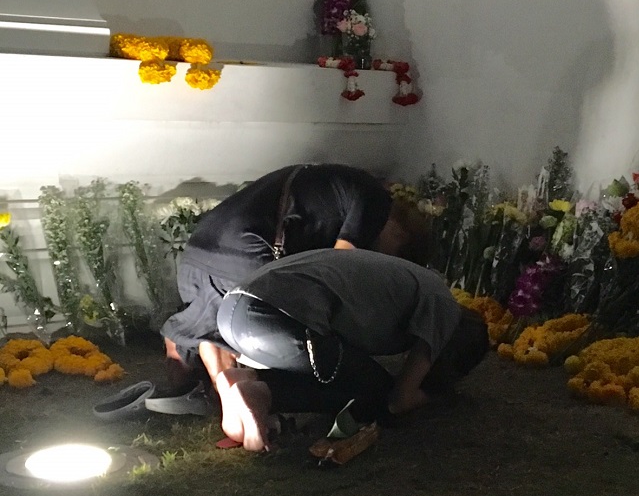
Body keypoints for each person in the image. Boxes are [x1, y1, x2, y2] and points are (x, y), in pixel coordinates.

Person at [148, 163, 432, 415]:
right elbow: (340, 270)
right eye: (395, 256)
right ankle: (236, 398)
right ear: (400, 233)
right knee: (251, 325)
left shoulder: (334, 185)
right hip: (246, 250)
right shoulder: (375, 201)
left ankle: (194, 379)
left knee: (212, 320)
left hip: (201, 244)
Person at [213, 248, 490, 452]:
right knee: (375, 391)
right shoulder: (443, 308)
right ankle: (263, 394)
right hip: (275, 317)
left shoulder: (420, 282)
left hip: (234, 311)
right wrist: (434, 394)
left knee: (346, 365)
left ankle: (246, 380)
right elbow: (399, 401)